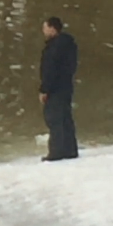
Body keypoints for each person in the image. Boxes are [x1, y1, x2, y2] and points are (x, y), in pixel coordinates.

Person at [39, 16, 79, 161]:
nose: (43, 31)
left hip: (55, 89)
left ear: (52, 28)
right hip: (66, 87)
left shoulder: (53, 48)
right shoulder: (69, 44)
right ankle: (70, 149)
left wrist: (44, 90)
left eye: (45, 28)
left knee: (54, 119)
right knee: (66, 118)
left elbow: (50, 70)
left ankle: (56, 153)